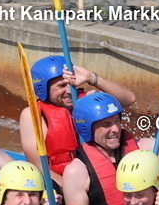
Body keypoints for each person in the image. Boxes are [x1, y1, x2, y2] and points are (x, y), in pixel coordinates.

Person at [19, 55, 135, 188]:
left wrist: (92, 77)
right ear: (43, 88)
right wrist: (69, 189)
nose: (69, 90)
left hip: (102, 175)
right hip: (64, 184)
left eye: (71, 83)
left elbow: (129, 100)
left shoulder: (90, 100)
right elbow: (38, 166)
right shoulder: (33, 115)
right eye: (62, 85)